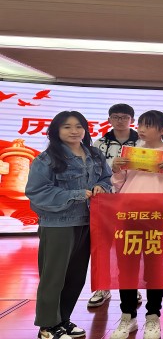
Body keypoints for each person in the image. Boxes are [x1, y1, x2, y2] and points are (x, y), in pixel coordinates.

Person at [25, 111, 112, 339]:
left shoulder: (94, 154)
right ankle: (47, 327)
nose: (74, 131)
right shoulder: (47, 159)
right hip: (58, 224)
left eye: (79, 126)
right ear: (56, 130)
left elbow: (106, 178)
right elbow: (36, 192)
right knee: (54, 277)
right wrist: (75, 194)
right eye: (67, 127)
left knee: (76, 277)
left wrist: (103, 187)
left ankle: (63, 320)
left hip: (87, 221)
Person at [109, 111, 163, 339]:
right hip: (128, 214)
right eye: (141, 125)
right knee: (127, 266)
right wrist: (116, 169)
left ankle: (153, 316)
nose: (141, 129)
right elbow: (118, 185)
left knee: (154, 267)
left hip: (156, 215)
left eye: (148, 125)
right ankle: (128, 316)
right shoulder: (131, 150)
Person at [89, 103, 142, 308]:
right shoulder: (99, 143)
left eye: (124, 117)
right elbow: (93, 171)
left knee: (131, 246)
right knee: (103, 245)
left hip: (133, 202)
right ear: (109, 119)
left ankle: (132, 287)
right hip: (105, 202)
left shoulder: (142, 143)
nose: (120, 121)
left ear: (132, 120)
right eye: (116, 117)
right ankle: (102, 287)